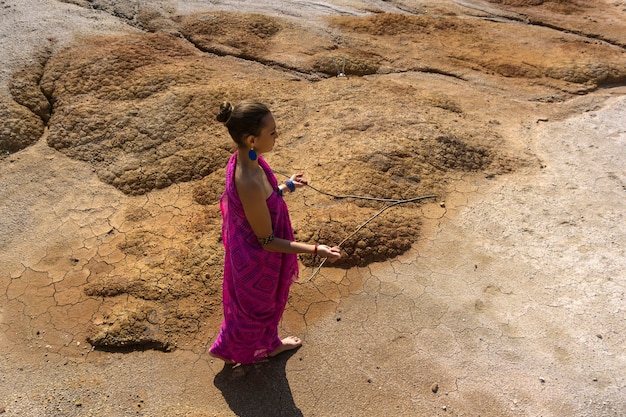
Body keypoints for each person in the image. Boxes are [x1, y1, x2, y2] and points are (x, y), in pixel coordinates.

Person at [209, 100, 342, 365]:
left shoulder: (247, 158)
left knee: (260, 307)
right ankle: (239, 349)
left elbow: (263, 201)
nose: (276, 136)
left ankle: (260, 345)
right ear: (251, 139)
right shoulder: (247, 180)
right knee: (258, 310)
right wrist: (317, 250)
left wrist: (287, 186)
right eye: (271, 132)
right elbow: (268, 241)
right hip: (257, 259)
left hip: (257, 250)